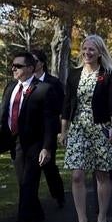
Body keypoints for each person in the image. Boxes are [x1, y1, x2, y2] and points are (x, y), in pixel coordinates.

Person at [60, 35, 112, 222]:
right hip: (78, 127)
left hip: (101, 126)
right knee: (77, 175)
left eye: (92, 50)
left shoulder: (107, 75)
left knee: (101, 174)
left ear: (100, 52)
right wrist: (64, 130)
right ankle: (82, 221)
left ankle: (102, 218)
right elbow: (67, 103)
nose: (87, 53)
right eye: (85, 49)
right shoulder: (74, 75)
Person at [0, 52, 58, 222]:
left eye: (18, 66)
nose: (13, 69)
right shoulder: (10, 88)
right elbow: (4, 115)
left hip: (35, 144)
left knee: (28, 183)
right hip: (15, 144)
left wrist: (47, 147)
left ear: (30, 68)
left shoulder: (44, 89)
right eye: (13, 66)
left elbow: (50, 121)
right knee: (22, 183)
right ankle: (38, 214)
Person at [31, 49, 66, 208]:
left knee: (48, 165)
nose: (32, 64)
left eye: (35, 61)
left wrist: (62, 130)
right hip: (30, 130)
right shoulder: (27, 82)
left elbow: (62, 106)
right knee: (30, 169)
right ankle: (32, 203)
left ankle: (58, 194)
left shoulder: (53, 82)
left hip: (48, 130)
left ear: (42, 63)